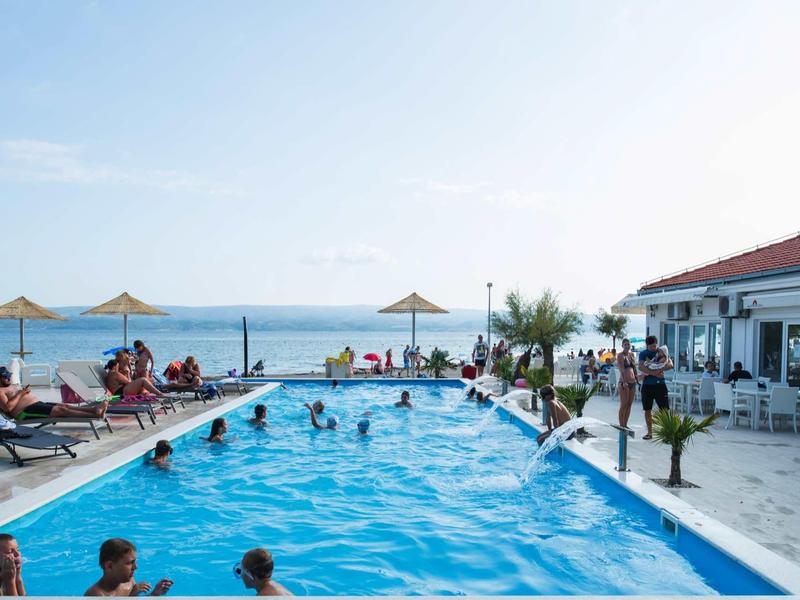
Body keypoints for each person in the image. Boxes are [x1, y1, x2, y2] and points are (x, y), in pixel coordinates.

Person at [0, 367, 108, 421]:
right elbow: (8, 408)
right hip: (24, 413)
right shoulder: (0, 391)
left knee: (63, 406)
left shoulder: (9, 385)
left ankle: (94, 409)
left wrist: (23, 393)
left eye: (9, 375)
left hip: (36, 405)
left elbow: (18, 396)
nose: (9, 377)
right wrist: (21, 394)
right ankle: (95, 415)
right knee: (61, 411)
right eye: (5, 376)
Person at [85, 538, 172, 596]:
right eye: (130, 563)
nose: (135, 567)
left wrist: (155, 594)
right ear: (110, 566)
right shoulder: (96, 595)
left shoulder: (129, 581)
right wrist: (131, 597)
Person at [638, 335, 673, 440]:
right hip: (647, 386)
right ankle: (649, 433)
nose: (654, 348)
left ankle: (667, 434)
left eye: (655, 345)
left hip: (660, 385)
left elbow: (670, 364)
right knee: (647, 410)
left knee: (664, 410)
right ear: (647, 345)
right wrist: (655, 373)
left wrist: (657, 371)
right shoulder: (643, 354)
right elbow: (641, 367)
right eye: (652, 346)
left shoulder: (661, 351)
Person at [616, 338, 637, 429]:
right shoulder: (620, 355)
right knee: (623, 404)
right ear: (622, 346)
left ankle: (625, 424)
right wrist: (624, 381)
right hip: (624, 382)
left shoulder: (632, 355)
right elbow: (621, 369)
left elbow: (634, 368)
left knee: (629, 404)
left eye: (628, 344)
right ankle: (621, 425)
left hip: (633, 382)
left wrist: (637, 378)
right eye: (625, 344)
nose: (627, 346)